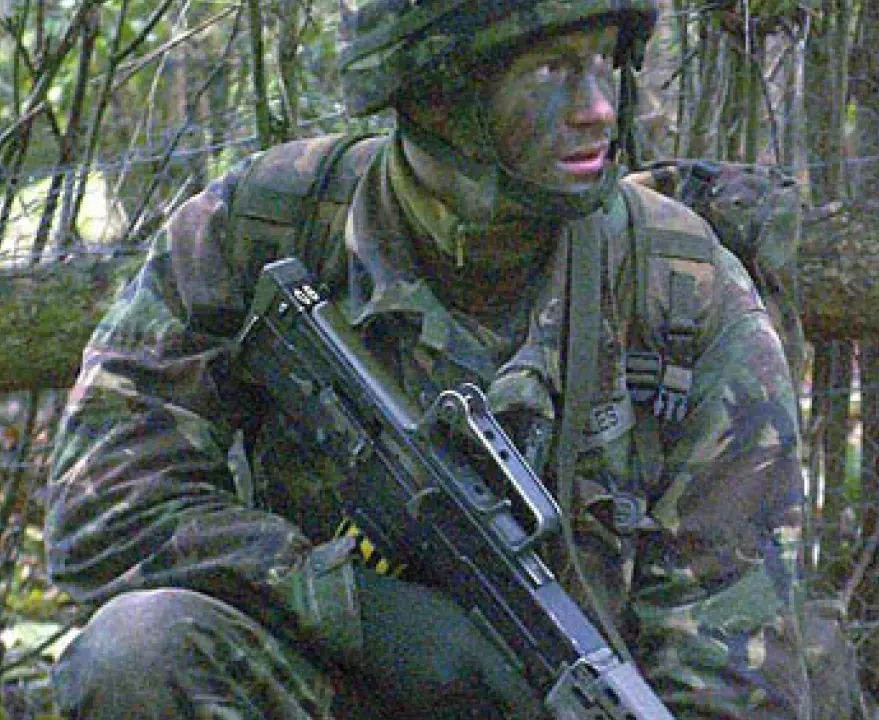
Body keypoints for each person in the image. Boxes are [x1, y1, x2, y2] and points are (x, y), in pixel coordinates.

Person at [45, 0, 821, 717]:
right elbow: (102, 513)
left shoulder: (683, 290)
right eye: (551, 70)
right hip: (322, 691)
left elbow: (735, 676)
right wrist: (356, 608)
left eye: (604, 60)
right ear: (438, 90)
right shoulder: (264, 226)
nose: (599, 108)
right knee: (136, 652)